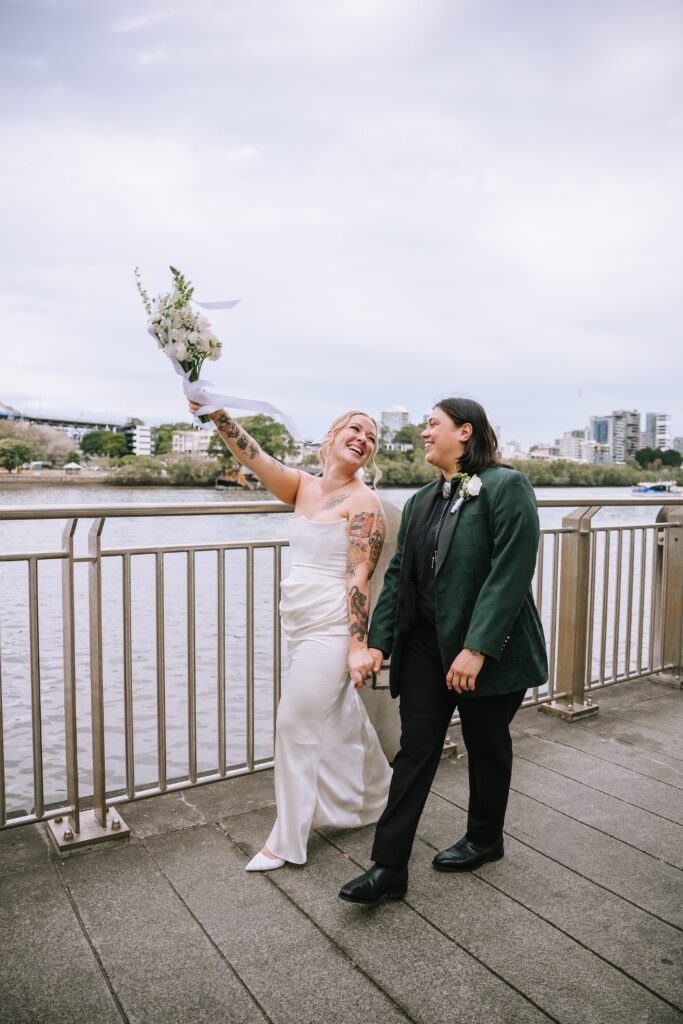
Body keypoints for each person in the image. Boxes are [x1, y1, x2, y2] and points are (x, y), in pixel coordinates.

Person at [338, 397, 548, 905]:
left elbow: (511, 573)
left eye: (433, 425)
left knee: (487, 744)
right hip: (427, 652)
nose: (425, 434)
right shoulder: (419, 501)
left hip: (491, 652)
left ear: (465, 432)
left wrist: (477, 648)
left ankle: (484, 838)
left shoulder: (506, 486)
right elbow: (398, 580)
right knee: (415, 752)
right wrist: (375, 644)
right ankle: (388, 868)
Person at [188, 400, 392, 870]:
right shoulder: (303, 486)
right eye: (355, 429)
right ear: (331, 436)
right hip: (299, 622)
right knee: (336, 717)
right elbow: (252, 456)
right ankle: (379, 795)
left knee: (294, 724)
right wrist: (217, 413)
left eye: (372, 438)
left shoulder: (364, 504)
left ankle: (287, 841)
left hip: (333, 625)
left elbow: (359, 577)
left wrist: (359, 646)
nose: (363, 438)